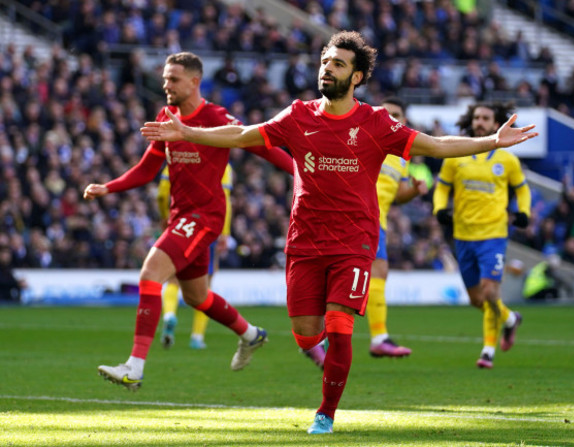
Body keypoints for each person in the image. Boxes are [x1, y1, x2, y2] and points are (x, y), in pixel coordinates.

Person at [141, 32, 537, 434]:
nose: (327, 68)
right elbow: (244, 135)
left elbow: (434, 145)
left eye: (338, 64)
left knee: (339, 325)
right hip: (305, 242)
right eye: (325, 61)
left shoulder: (376, 123)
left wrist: (491, 141)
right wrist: (189, 133)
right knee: (305, 334)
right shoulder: (297, 115)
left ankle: (325, 413)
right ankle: (326, 373)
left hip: (354, 242)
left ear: (358, 76)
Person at [83, 51, 293, 390]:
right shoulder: (166, 116)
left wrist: (299, 171)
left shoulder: (216, 116)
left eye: (173, 79)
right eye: (165, 78)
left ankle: (134, 367)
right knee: (197, 297)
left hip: (205, 215)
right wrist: (109, 187)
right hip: (181, 216)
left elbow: (263, 146)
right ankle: (251, 334)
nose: (166, 84)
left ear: (195, 81)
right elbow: (148, 169)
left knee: (150, 275)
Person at [302, 97, 428, 367]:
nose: (392, 117)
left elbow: (396, 195)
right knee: (352, 275)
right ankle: (328, 337)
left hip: (375, 222)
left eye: (397, 114)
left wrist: (414, 190)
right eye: (387, 113)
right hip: (350, 217)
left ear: (404, 121)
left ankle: (376, 337)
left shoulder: (402, 158)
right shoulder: (364, 139)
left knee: (378, 272)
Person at [433, 101, 531, 370]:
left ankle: (487, 351)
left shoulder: (507, 159)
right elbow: (442, 187)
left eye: (486, 118)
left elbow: (522, 189)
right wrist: (439, 208)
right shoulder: (457, 154)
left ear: (495, 122)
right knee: (477, 299)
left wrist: (523, 212)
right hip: (463, 235)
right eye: (476, 117)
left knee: (489, 291)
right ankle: (510, 319)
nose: (479, 122)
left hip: (494, 234)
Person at [157, 164, 234, 350]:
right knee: (206, 285)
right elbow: (224, 198)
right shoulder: (222, 164)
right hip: (207, 226)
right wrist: (224, 232)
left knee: (173, 278)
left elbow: (161, 195)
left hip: (179, 224)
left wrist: (165, 217)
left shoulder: (175, 157)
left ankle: (169, 315)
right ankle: (197, 337)